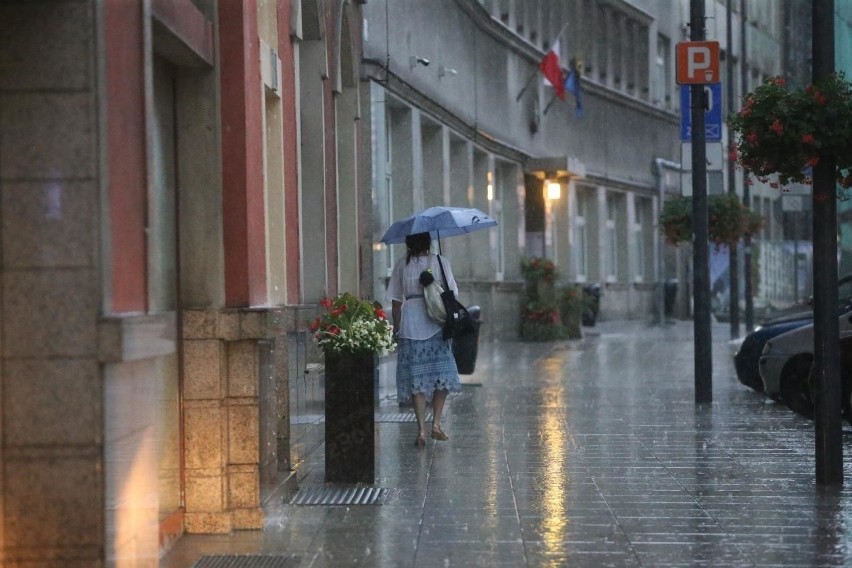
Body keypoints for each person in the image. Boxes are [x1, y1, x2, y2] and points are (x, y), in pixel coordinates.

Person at [387, 232, 462, 447]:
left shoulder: (402, 265)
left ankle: (421, 429)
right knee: (443, 373)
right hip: (436, 322)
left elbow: (395, 301)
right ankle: (436, 423)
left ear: (408, 243)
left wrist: (397, 329)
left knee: (415, 380)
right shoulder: (440, 261)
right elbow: (453, 293)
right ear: (429, 242)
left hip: (410, 325)